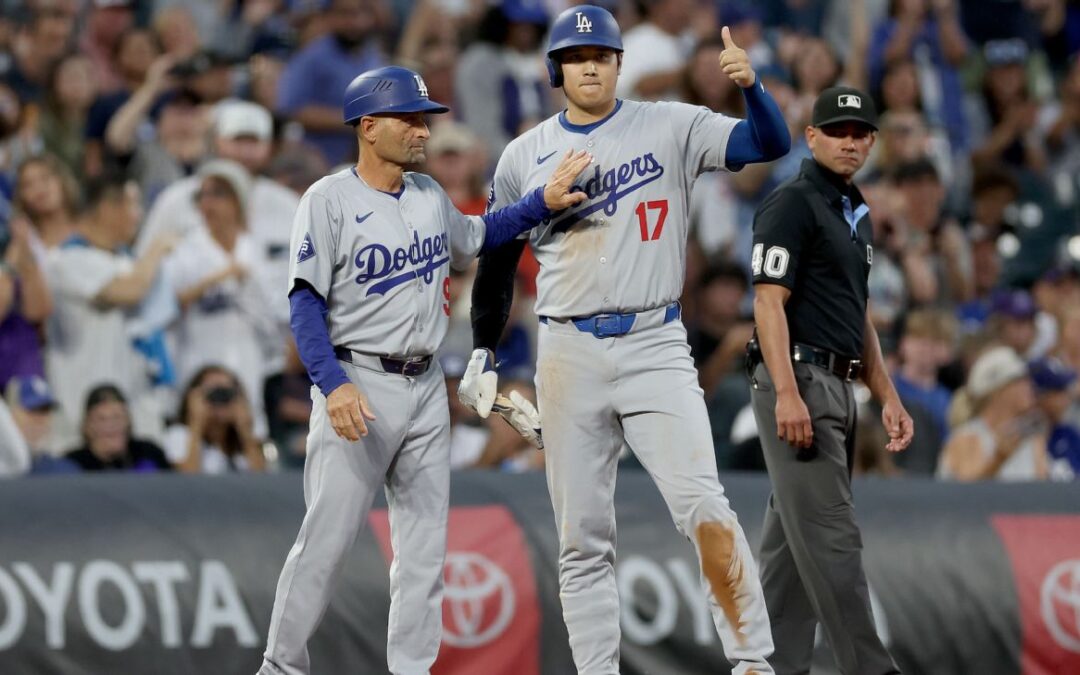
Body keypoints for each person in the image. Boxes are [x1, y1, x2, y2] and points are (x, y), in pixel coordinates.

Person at [462, 6, 790, 673]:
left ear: (618, 63)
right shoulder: (523, 154)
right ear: (557, 69)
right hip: (567, 349)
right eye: (577, 56)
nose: (590, 65)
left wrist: (753, 87)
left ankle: (753, 660)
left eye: (602, 54)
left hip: (654, 341)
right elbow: (496, 256)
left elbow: (768, 145)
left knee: (702, 501)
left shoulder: (671, 122)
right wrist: (481, 346)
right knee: (582, 538)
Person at [257, 65, 590, 675]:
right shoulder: (328, 199)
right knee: (326, 545)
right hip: (358, 381)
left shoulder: (430, 194)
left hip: (425, 385)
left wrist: (538, 205)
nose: (421, 129)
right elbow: (304, 303)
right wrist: (331, 384)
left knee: (424, 551)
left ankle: (412, 669)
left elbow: (480, 236)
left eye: (424, 117)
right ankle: (280, 667)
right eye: (410, 118)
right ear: (368, 126)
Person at [746, 85, 913, 674]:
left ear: (871, 141)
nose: (849, 141)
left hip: (839, 385)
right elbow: (768, 302)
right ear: (810, 136)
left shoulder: (855, 213)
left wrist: (886, 392)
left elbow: (856, 312)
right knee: (835, 542)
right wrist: (787, 388)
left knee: (792, 559)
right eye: (836, 131)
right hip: (801, 381)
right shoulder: (792, 203)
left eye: (859, 132)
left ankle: (767, 669)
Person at [937, 345, 1047, 481]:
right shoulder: (966, 438)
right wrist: (998, 459)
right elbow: (964, 496)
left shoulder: (1033, 439)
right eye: (1020, 380)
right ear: (998, 390)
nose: (1030, 386)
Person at [164, 365, 266, 474]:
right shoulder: (180, 435)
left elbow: (261, 480)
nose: (219, 401)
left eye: (226, 393)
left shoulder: (245, 442)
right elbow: (186, 481)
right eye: (213, 393)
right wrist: (196, 423)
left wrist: (245, 430)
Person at [64, 384, 172, 473]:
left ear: (128, 421)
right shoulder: (72, 465)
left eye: (117, 416)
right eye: (102, 419)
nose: (111, 425)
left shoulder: (149, 454)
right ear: (87, 426)